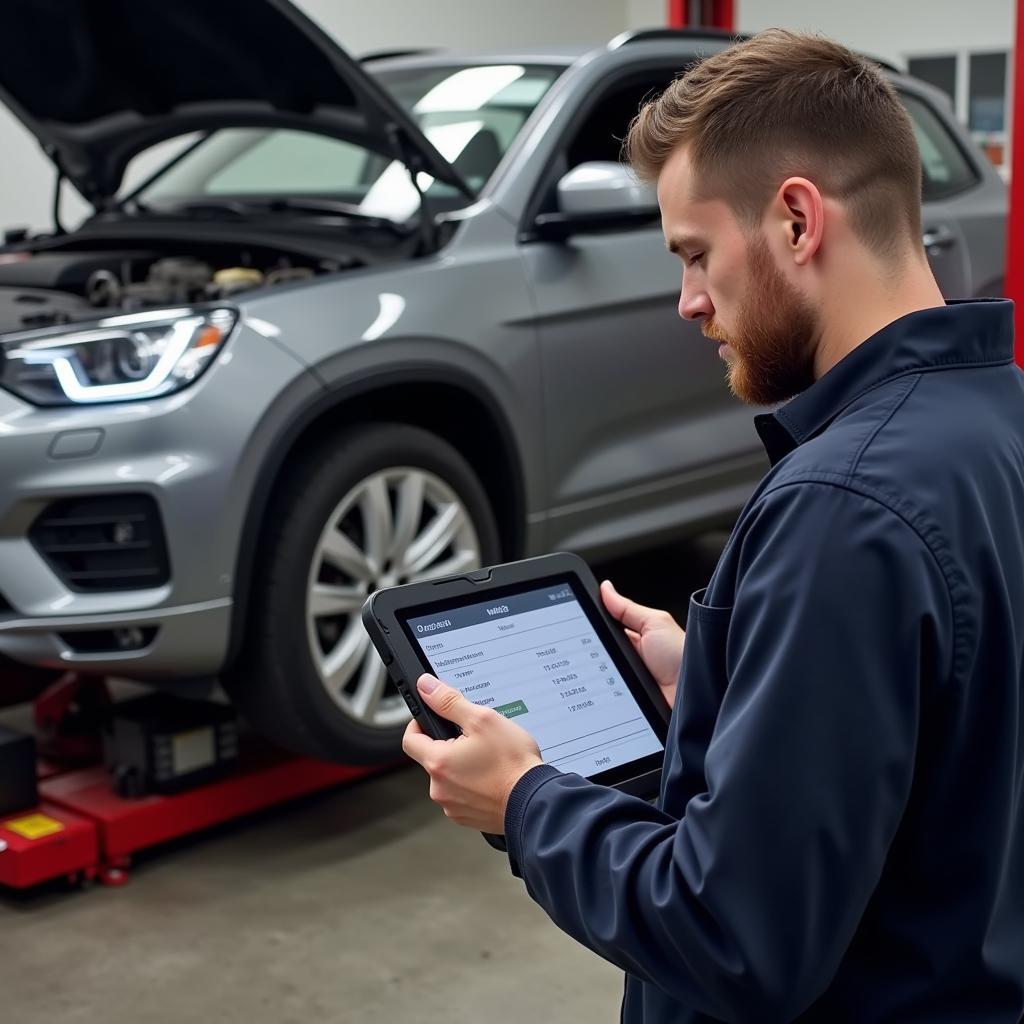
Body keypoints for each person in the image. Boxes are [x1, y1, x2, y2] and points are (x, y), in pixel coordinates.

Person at [401, 29, 1024, 1022]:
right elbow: (958, 728)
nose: (689, 302)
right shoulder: (996, 422)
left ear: (793, 221)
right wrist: (728, 684)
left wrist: (526, 803)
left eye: (694, 254)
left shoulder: (841, 509)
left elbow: (731, 937)